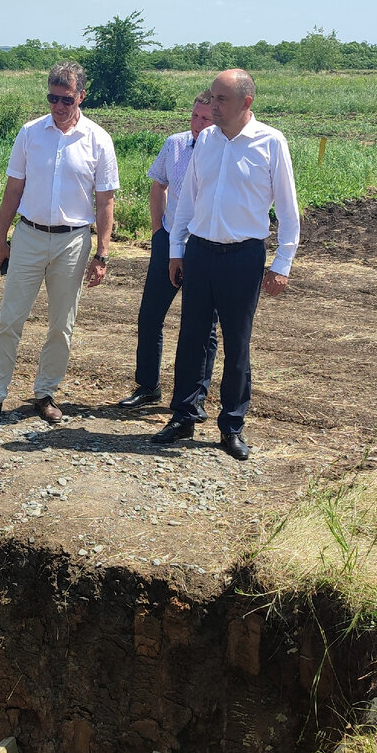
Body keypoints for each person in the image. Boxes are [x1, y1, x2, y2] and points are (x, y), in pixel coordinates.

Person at [150, 69, 300, 460]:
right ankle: (183, 415)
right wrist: (177, 250)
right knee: (192, 337)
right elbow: (187, 199)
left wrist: (282, 261)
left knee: (237, 343)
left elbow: (287, 207)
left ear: (246, 103)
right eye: (211, 99)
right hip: (200, 251)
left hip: (243, 256)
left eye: (221, 100)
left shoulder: (270, 142)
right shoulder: (207, 142)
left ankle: (231, 425)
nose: (212, 106)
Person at [0, 61, 118, 426]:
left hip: (73, 242)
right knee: (9, 319)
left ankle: (45, 393)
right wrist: (0, 239)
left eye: (65, 99)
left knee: (61, 324)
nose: (58, 106)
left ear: (81, 96)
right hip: (29, 235)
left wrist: (102, 252)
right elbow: (13, 190)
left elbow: (105, 201)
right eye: (52, 98)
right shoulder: (30, 133)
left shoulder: (99, 139)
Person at [118, 90, 218, 412]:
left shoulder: (221, 152)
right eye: (194, 116)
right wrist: (157, 230)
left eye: (206, 118)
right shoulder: (174, 144)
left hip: (204, 249)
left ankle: (196, 397)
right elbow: (158, 183)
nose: (198, 124)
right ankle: (148, 386)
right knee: (149, 317)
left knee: (204, 328)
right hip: (168, 242)